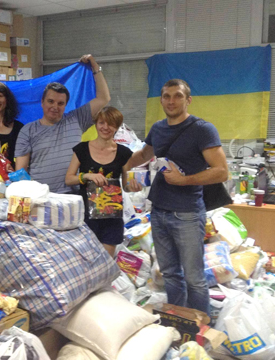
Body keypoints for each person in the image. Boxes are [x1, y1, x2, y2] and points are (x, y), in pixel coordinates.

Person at [123, 79, 228, 316]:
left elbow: (222, 171)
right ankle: (180, 321)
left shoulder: (202, 129)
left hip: (188, 214)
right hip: (158, 211)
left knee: (194, 278)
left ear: (188, 100)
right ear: (161, 100)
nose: (171, 101)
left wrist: (184, 180)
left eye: (177, 96)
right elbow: (143, 154)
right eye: (166, 96)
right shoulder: (158, 129)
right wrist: (121, 166)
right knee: (169, 273)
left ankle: (200, 328)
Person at [15, 54, 111, 194]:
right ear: (42, 103)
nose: (55, 106)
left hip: (73, 196)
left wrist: (95, 67)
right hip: (41, 198)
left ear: (66, 105)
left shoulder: (77, 119)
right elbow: (21, 173)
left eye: (60, 103)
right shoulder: (27, 130)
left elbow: (104, 98)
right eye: (50, 101)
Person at [65, 107, 134, 257]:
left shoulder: (124, 153)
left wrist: (134, 186)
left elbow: (127, 186)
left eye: (111, 124)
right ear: (96, 124)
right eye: (101, 122)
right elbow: (69, 179)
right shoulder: (81, 149)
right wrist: (87, 176)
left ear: (117, 127)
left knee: (106, 265)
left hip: (112, 217)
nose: (105, 127)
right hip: (86, 216)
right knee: (86, 262)